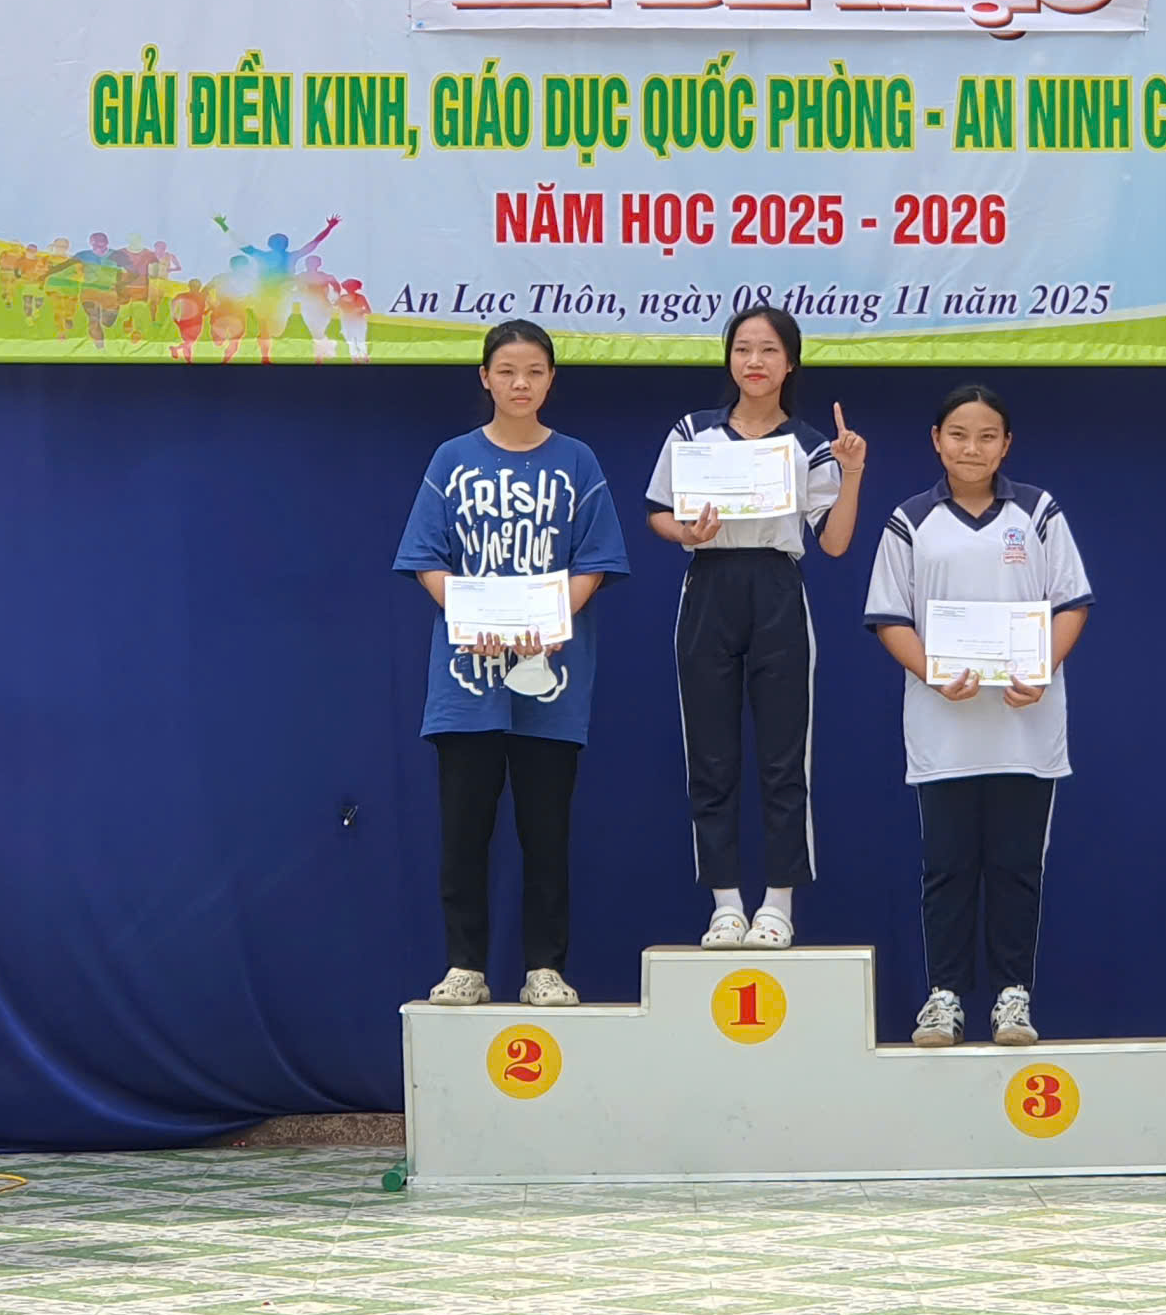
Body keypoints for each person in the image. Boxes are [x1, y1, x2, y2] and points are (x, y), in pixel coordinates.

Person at [393, 321, 629, 1006]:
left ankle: (544, 968)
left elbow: (595, 561)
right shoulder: (452, 460)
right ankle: (464, 965)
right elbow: (425, 557)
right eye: (507, 371)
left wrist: (550, 625)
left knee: (546, 834)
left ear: (551, 379)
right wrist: (474, 619)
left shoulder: (577, 461)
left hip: (552, 684)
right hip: (465, 684)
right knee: (464, 833)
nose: (520, 383)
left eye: (534, 371)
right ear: (485, 378)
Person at [862, 384, 1092, 1048]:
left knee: (1018, 867)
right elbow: (890, 616)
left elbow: (1071, 602)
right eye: (959, 434)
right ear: (937, 441)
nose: (972, 448)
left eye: (987, 436)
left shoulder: (1038, 512)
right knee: (948, 868)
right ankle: (944, 998)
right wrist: (934, 671)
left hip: (1026, 729)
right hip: (944, 729)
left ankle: (1013, 998)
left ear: (1006, 444)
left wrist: (1041, 667)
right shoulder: (910, 520)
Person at [646, 306, 866, 949]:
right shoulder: (693, 431)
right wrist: (685, 532)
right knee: (710, 754)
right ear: (729, 360)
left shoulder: (810, 444)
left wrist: (852, 472)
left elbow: (834, 542)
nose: (755, 361)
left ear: (789, 362)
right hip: (709, 585)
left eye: (768, 350)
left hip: (777, 588)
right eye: (742, 349)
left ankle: (777, 903)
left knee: (783, 756)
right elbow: (658, 513)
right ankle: (724, 904)